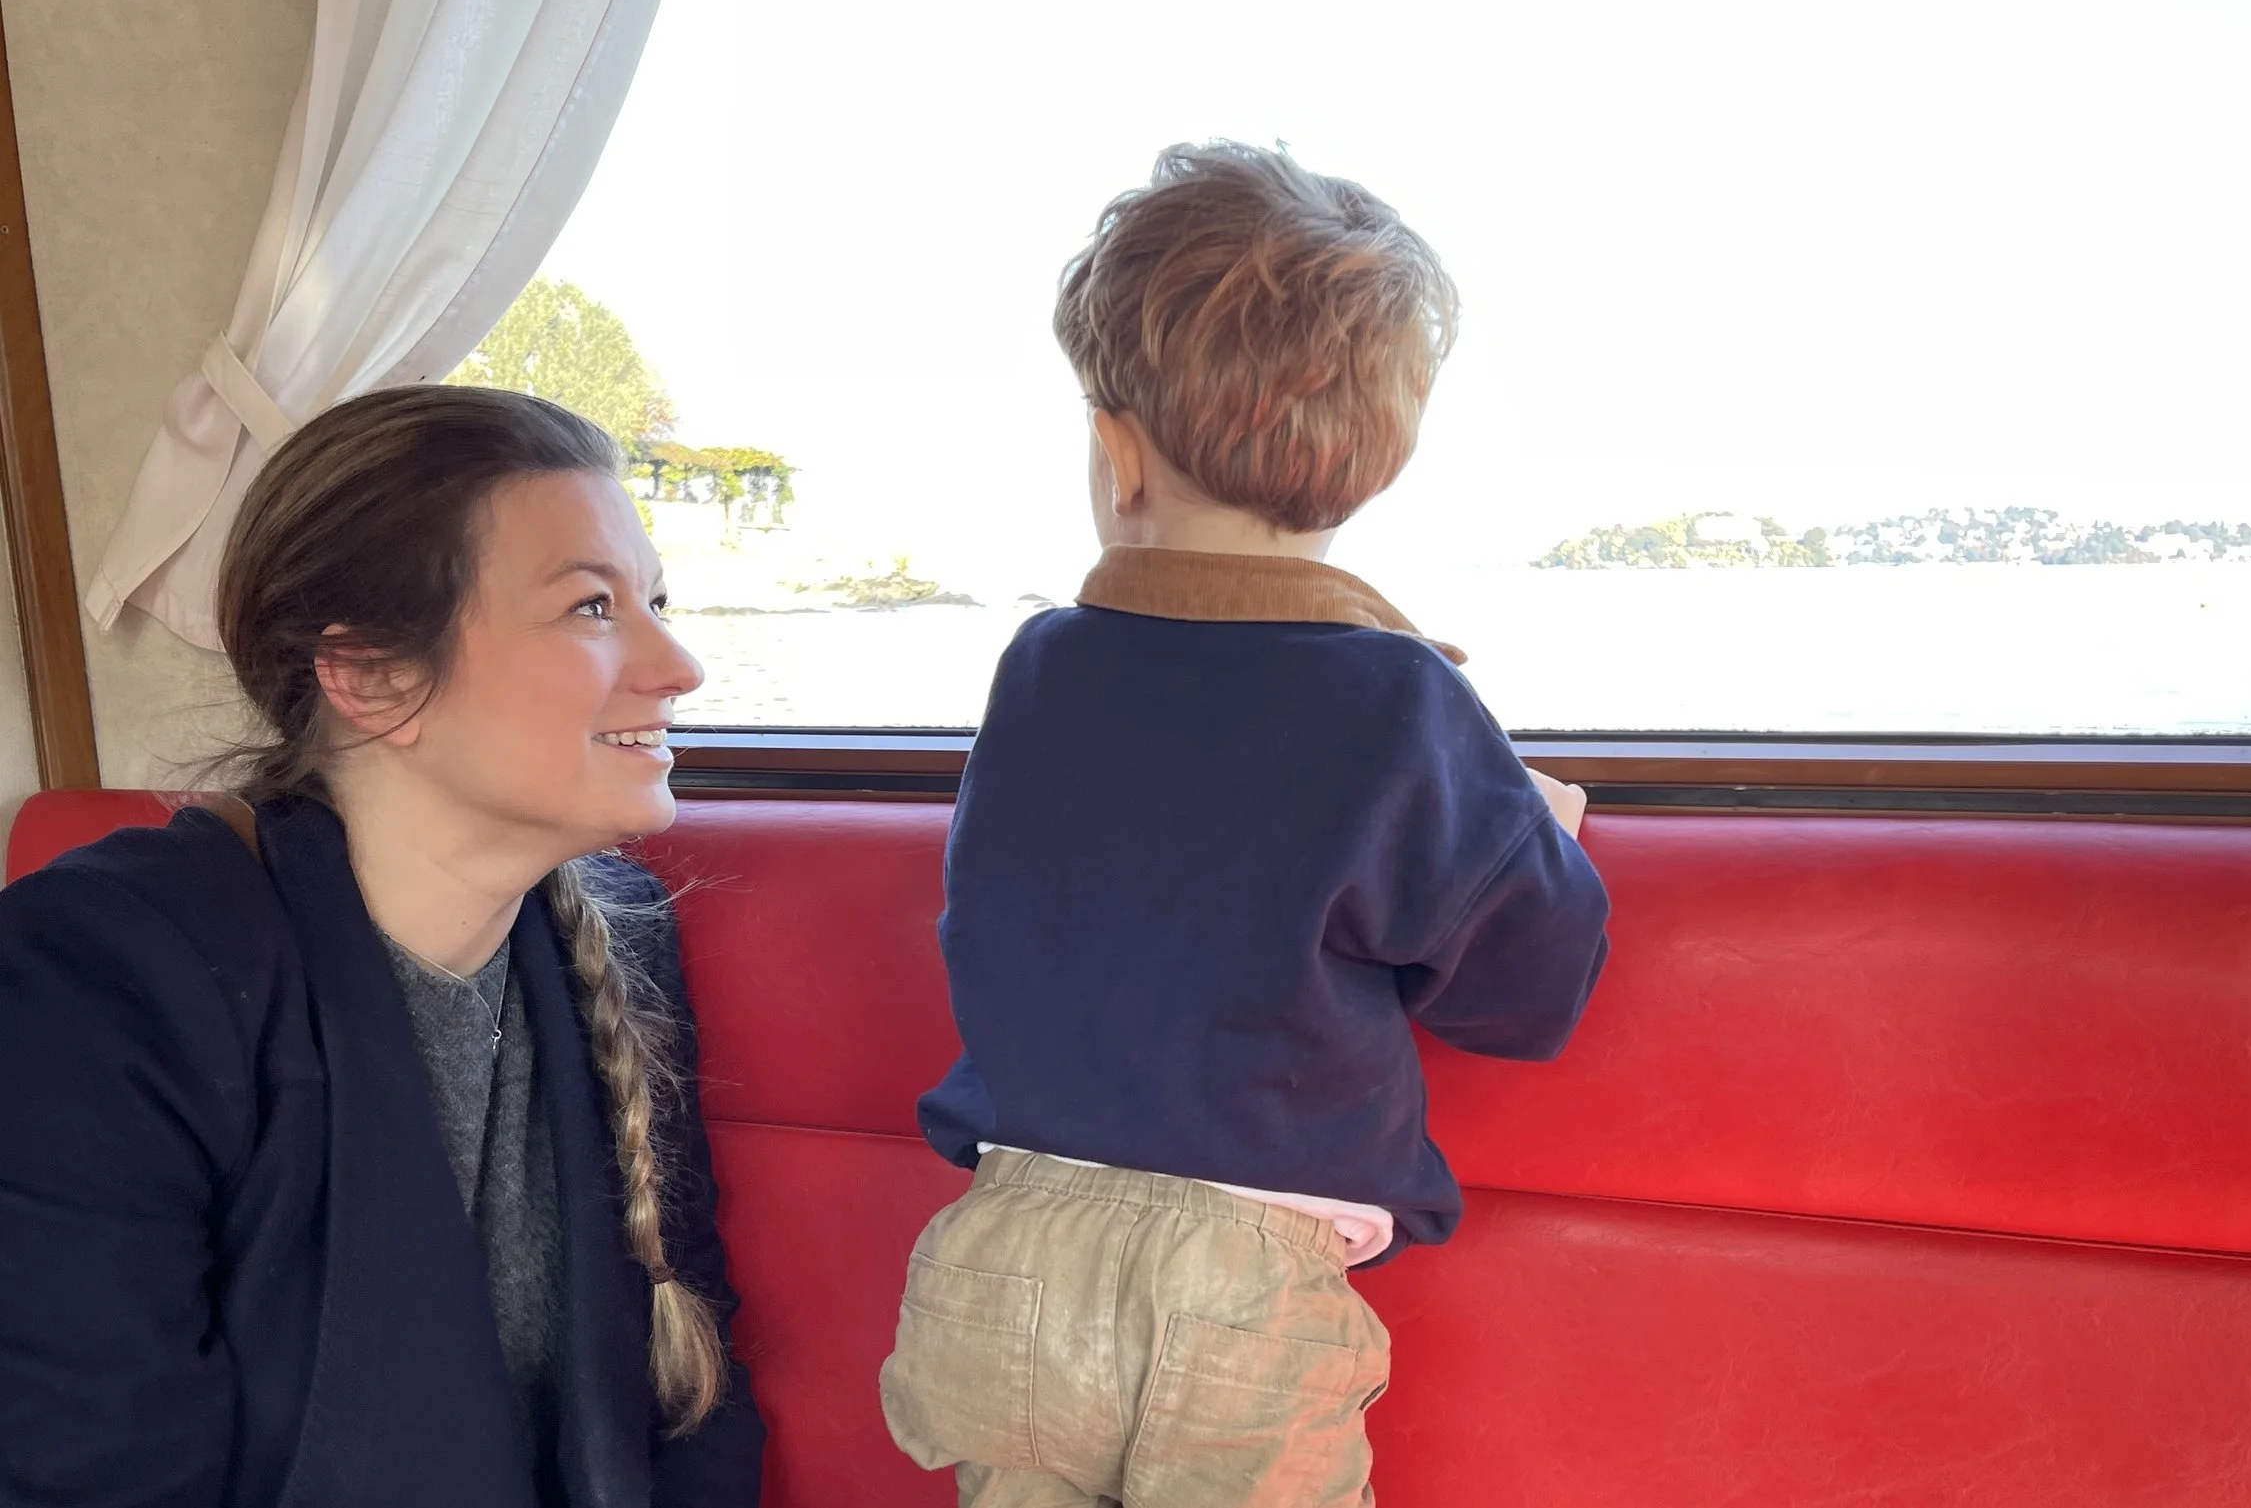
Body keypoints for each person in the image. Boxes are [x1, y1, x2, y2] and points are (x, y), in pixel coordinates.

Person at [880, 143, 1611, 1506]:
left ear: (1116, 448)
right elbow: (1524, 997)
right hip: (1243, 1282)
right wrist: (1543, 831)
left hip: (1007, 1237)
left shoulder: (1041, 668)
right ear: (1378, 461)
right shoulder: (1406, 704)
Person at [0, 385, 764, 1507]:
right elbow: (91, 1466)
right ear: (369, 677)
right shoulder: (94, 975)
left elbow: (687, 1401)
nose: (678, 663)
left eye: (655, 598)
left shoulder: (618, 932)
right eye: (593, 607)